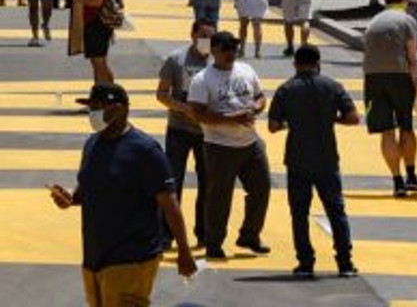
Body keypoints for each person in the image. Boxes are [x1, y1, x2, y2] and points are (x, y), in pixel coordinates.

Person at [49, 83, 197, 307]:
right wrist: (70, 198)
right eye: (91, 108)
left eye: (98, 107)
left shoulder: (145, 150)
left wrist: (184, 252)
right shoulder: (92, 144)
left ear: (119, 109)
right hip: (94, 257)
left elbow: (170, 204)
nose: (92, 114)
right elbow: (86, 189)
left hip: (132, 257)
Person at [268, 45, 360, 278]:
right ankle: (345, 263)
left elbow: (273, 126)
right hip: (327, 158)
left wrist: (293, 124)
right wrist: (332, 120)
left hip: (297, 159)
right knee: (336, 211)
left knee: (299, 213)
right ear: (318, 62)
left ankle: (306, 262)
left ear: (295, 63)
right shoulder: (333, 86)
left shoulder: (286, 90)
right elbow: (353, 118)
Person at [188, 31, 271, 260]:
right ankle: (214, 242)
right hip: (219, 146)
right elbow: (198, 114)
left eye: (234, 48)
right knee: (219, 197)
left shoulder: (246, 70)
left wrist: (255, 108)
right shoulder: (203, 79)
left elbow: (261, 96)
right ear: (213, 50)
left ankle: (249, 235)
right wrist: (230, 119)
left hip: (250, 142)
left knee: (261, 189)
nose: (230, 53)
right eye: (225, 49)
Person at [155, 19, 215, 247]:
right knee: (172, 182)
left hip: (208, 132)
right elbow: (161, 94)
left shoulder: (217, 61)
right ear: (192, 35)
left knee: (208, 183)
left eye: (211, 37)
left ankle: (205, 232)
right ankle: (166, 234)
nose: (206, 42)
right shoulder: (176, 59)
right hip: (179, 129)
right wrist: (183, 108)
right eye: (203, 36)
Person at [361, 0, 417, 198]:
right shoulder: (407, 20)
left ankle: (397, 181)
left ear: (385, 1)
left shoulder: (373, 22)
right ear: (403, 1)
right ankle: (412, 176)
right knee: (406, 126)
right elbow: (412, 58)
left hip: (373, 77)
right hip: (399, 75)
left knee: (387, 130)